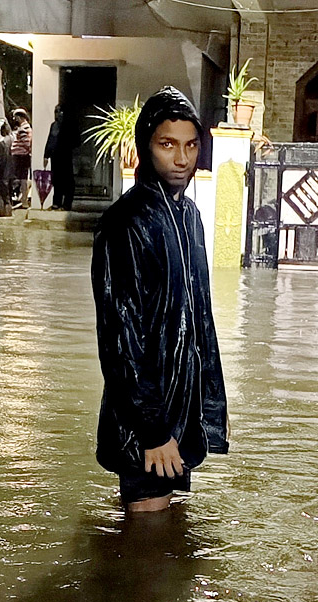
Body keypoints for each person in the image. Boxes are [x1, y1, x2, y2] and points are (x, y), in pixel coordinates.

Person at [91, 87, 229, 513]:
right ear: (145, 146)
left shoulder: (189, 217)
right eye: (167, 144)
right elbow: (120, 337)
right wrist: (152, 430)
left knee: (164, 540)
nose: (182, 159)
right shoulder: (124, 223)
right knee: (145, 547)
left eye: (190, 146)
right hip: (145, 423)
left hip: (180, 414)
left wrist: (209, 410)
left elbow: (200, 320)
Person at [44, 104, 76, 211]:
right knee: (56, 181)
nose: (57, 114)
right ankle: (56, 203)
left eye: (59, 112)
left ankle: (67, 204)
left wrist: (67, 146)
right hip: (55, 157)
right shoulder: (54, 126)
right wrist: (46, 155)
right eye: (55, 112)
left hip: (65, 157)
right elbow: (50, 140)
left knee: (67, 181)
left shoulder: (69, 126)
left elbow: (76, 141)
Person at [10, 108, 32, 208]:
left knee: (20, 178)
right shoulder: (26, 128)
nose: (16, 120)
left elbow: (27, 143)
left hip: (21, 156)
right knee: (23, 178)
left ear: (20, 117)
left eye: (16, 117)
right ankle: (23, 200)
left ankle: (22, 199)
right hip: (22, 156)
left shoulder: (24, 128)